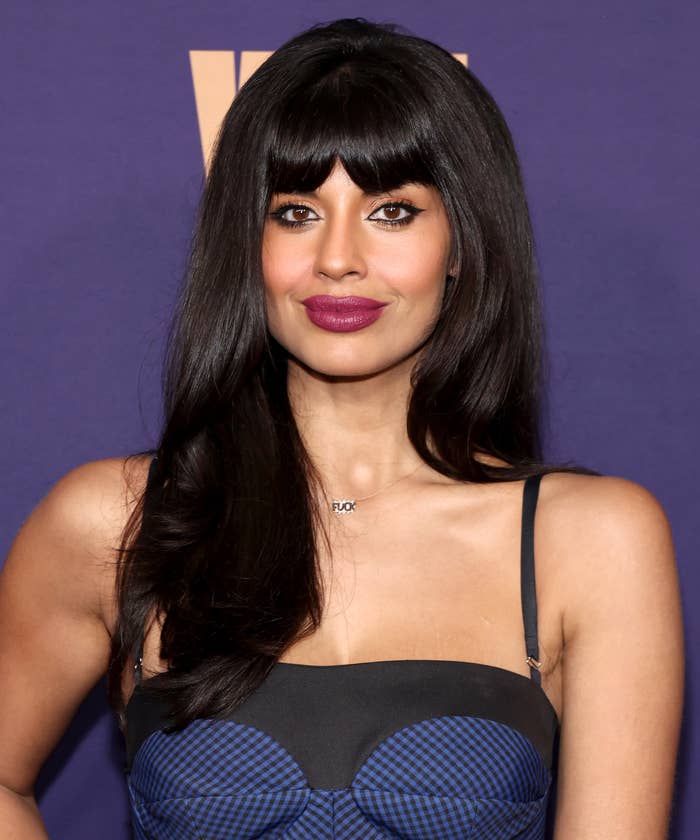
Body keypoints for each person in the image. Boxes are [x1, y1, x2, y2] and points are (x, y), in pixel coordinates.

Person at [0, 16, 684, 839]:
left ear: (462, 243)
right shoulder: (114, 521)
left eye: (392, 212)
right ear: (244, 243)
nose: (337, 257)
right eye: (294, 212)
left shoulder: (591, 540)